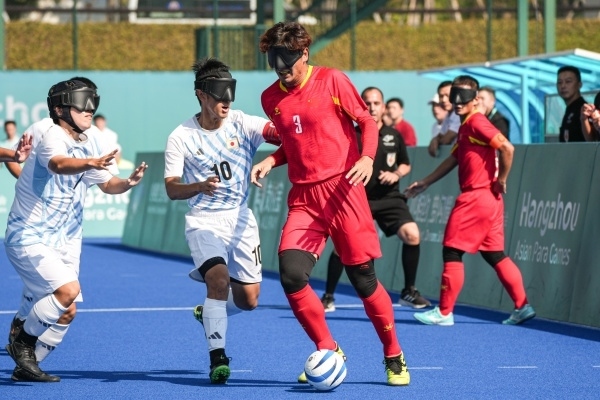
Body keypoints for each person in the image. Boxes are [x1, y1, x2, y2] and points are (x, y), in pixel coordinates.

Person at [251, 21, 410, 386]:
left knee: (363, 280)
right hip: (305, 199)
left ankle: (393, 354)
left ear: (304, 54)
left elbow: (367, 122)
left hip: (343, 192)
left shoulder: (333, 80)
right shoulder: (270, 98)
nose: (282, 72)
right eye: (275, 65)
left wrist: (367, 157)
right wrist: (271, 160)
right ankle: (328, 349)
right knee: (291, 275)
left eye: (288, 64)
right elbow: (293, 144)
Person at [4, 79, 147, 383]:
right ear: (60, 109)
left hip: (64, 239)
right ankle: (22, 342)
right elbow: (58, 164)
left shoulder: (91, 141)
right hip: (28, 235)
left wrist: (127, 183)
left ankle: (26, 366)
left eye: (91, 104)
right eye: (81, 104)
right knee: (68, 290)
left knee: (67, 311)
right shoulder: (50, 135)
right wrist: (89, 162)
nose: (89, 110)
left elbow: (107, 184)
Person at [163, 57, 280, 385]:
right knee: (218, 280)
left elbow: (283, 136)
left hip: (241, 218)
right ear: (201, 95)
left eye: (230, 94)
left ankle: (208, 313)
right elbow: (171, 189)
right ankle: (218, 358)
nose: (226, 102)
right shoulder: (181, 136)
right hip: (204, 221)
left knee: (249, 301)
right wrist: (198, 186)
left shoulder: (243, 123)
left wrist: (272, 159)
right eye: (218, 95)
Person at [405, 75, 535, 327]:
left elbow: (507, 148)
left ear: (476, 99)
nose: (456, 101)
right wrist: (426, 182)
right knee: (494, 254)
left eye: (463, 96)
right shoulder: (466, 125)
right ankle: (522, 306)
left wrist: (502, 179)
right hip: (490, 200)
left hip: (476, 197)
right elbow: (454, 158)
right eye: (453, 95)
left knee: (452, 250)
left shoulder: (476, 121)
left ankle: (444, 312)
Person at [320, 86, 430, 313]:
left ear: (383, 106)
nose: (372, 107)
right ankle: (328, 296)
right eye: (367, 103)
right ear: (360, 106)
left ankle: (409, 291)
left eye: (376, 103)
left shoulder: (393, 135)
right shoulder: (349, 135)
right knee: (341, 248)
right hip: (357, 199)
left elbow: (405, 164)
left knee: (412, 235)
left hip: (389, 197)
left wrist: (396, 174)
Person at [428, 80, 461, 157]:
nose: (444, 100)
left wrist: (436, 141)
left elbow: (447, 139)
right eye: (441, 96)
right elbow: (441, 135)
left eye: (447, 95)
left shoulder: (459, 114)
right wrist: (435, 139)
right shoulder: (448, 116)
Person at [557, 65, 586, 142]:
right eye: (559, 82)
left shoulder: (584, 111)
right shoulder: (570, 110)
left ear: (579, 85)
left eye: (568, 81)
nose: (563, 86)